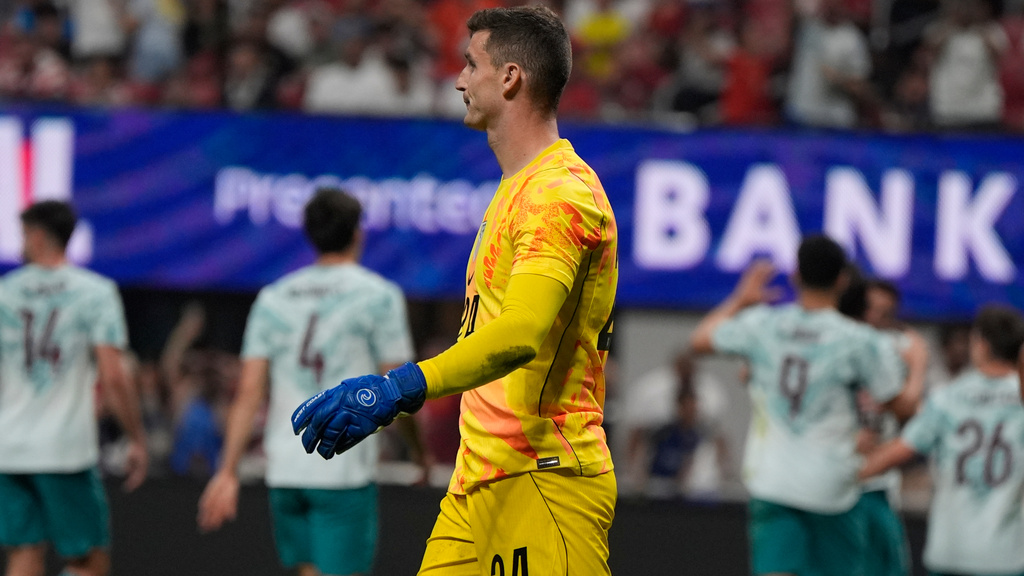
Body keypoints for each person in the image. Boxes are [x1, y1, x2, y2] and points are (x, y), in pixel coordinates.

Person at [291, 6, 618, 575]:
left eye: (471, 64)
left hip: (542, 479)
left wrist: (398, 388)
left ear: (510, 77)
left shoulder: (557, 195)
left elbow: (520, 333)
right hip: (478, 481)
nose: (459, 80)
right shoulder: (517, 189)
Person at [197, 188, 430, 576]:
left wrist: (227, 471)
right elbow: (398, 390)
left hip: (286, 468)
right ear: (357, 233)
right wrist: (420, 454)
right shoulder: (379, 297)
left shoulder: (273, 298)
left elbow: (250, 393)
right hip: (342, 468)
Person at [689, 236, 919, 576]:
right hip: (831, 486)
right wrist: (917, 366)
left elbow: (700, 339)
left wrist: (741, 299)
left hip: (773, 482)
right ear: (842, 280)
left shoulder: (763, 325)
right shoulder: (860, 340)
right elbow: (901, 407)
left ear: (795, 275)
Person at [0, 200, 147, 576]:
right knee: (89, 560)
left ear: (37, 236)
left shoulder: (4, 293)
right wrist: (136, 437)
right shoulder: (95, 292)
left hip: (9, 447)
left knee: (23, 554)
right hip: (63, 448)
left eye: (23, 234)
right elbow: (114, 376)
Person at [861, 306, 1024, 576]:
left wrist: (844, 467)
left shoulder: (948, 397)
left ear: (980, 344)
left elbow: (896, 454)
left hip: (951, 551)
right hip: (1007, 556)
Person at [841, 275, 928, 576]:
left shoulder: (895, 350)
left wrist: (913, 366)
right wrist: (918, 364)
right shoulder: (837, 344)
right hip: (832, 482)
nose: (875, 317)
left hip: (877, 484)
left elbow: (914, 416)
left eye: (885, 312)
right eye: (870, 308)